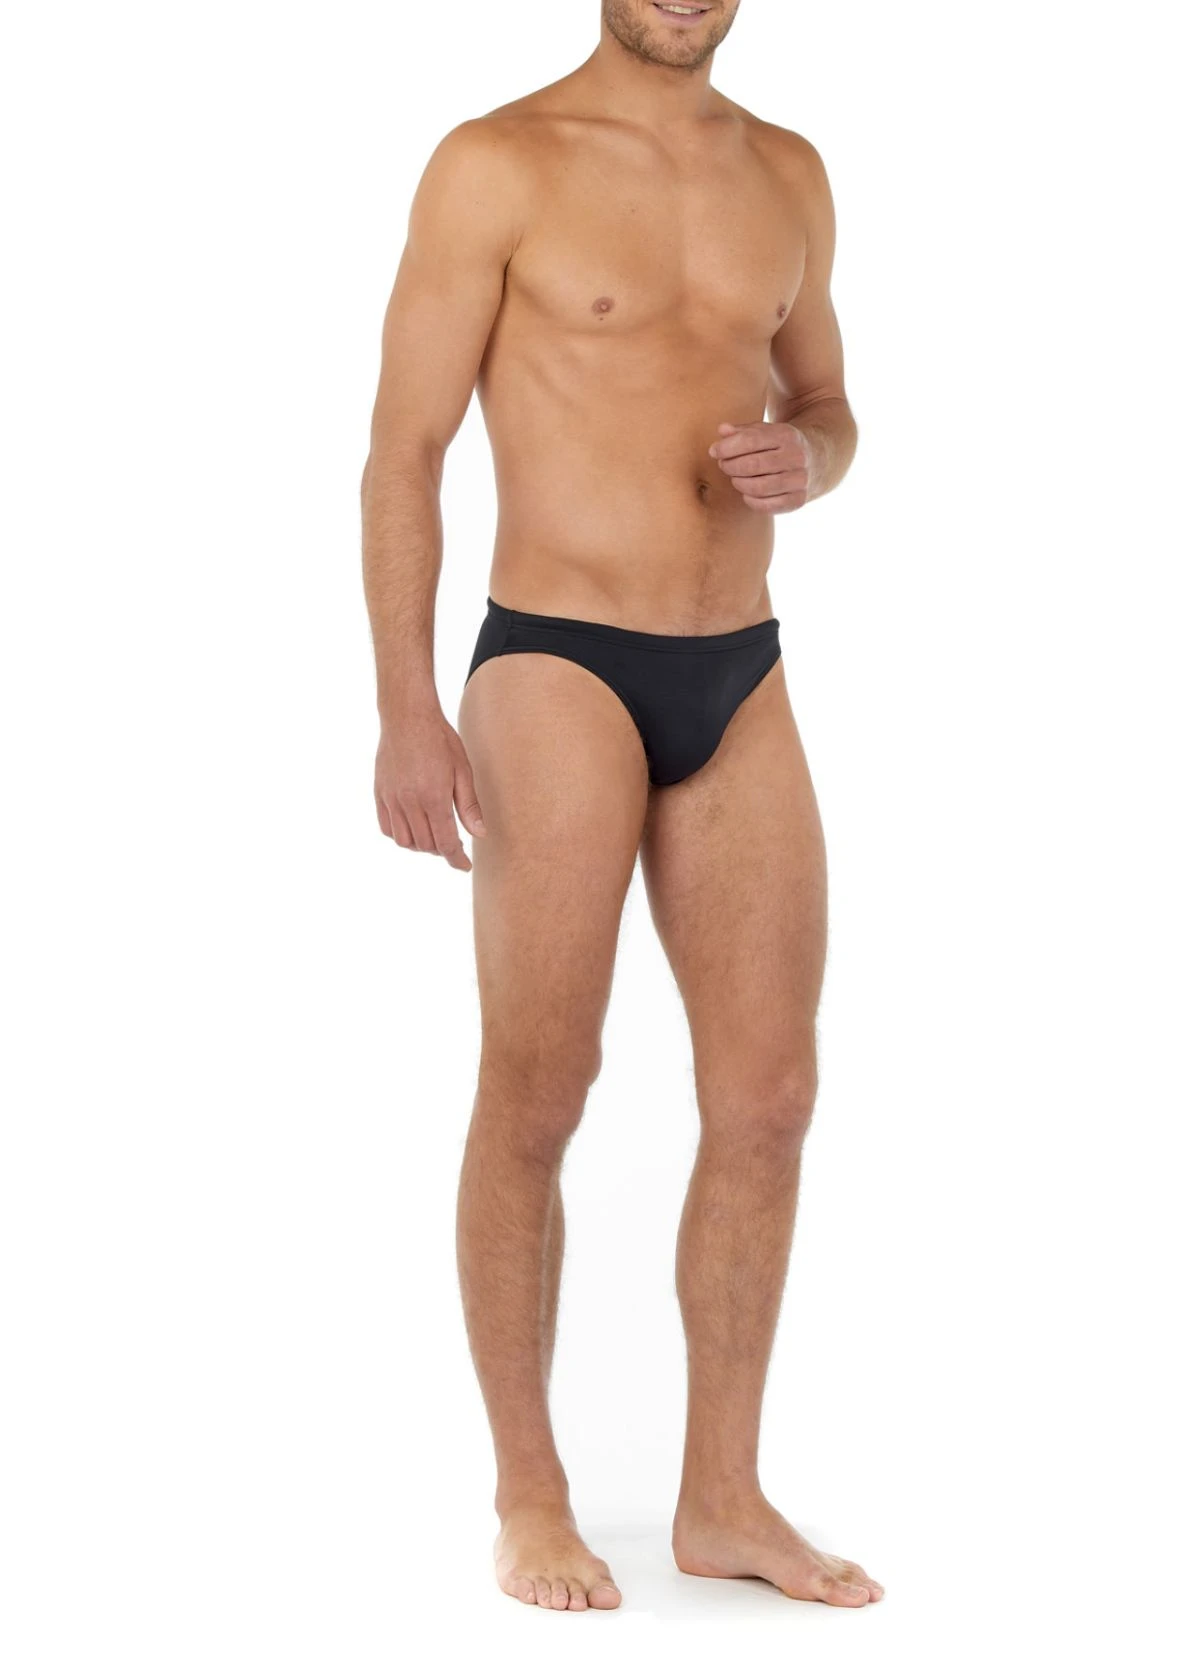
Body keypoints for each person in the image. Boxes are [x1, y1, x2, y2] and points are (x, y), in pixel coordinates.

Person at [360, 0, 881, 1613]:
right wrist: (404, 708)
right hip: (557, 662)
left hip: (740, 665)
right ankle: (530, 1495)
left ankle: (722, 1496)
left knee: (771, 1095)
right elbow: (404, 449)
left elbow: (830, 401)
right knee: (541, 1085)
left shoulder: (788, 172)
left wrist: (813, 461)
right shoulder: (496, 163)